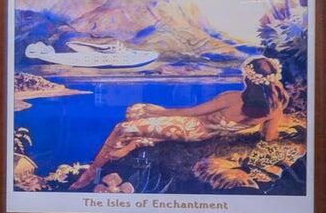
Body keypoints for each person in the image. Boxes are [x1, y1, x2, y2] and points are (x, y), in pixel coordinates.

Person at [67, 56, 293, 190]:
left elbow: (190, 112)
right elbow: (269, 137)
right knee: (138, 110)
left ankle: (92, 171)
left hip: (193, 128)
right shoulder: (276, 106)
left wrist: (161, 114)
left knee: (124, 126)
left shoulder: (231, 98)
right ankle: (136, 144)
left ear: (247, 77)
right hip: (202, 130)